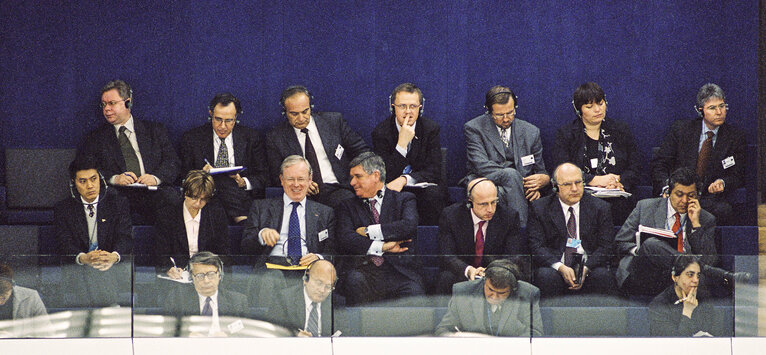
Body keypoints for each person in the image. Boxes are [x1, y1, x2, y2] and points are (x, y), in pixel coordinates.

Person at [616, 167, 743, 296]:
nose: (684, 201)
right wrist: (640, 250)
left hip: (679, 281)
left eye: (691, 195)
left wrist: (695, 226)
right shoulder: (644, 207)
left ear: (697, 196)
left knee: (698, 280)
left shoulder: (706, 219)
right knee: (650, 244)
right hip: (645, 275)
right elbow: (620, 243)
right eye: (679, 194)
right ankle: (720, 275)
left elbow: (709, 261)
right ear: (669, 192)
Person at [78, 79, 180, 224]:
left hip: (153, 191)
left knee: (172, 198)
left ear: (128, 103)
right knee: (111, 202)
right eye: (104, 104)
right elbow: (86, 168)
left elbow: (172, 162)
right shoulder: (96, 138)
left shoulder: (154, 131)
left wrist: (155, 178)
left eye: (112, 103)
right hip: (120, 193)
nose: (106, 109)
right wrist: (115, 178)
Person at [241, 156, 335, 304]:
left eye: (301, 179)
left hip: (308, 268)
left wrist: (318, 257)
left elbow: (333, 251)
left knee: (314, 280)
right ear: (281, 180)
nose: (296, 185)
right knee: (273, 279)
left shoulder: (325, 213)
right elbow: (245, 247)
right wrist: (261, 235)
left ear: (310, 180)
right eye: (290, 179)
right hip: (272, 267)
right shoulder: (260, 207)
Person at [335, 152, 424, 305]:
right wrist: (382, 247)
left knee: (414, 290)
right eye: (352, 177)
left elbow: (408, 226)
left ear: (375, 175)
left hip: (399, 272)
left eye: (358, 176)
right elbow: (346, 238)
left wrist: (368, 231)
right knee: (354, 281)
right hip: (365, 271)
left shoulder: (404, 199)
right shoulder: (347, 206)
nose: (352, 182)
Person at [651, 83, 745, 225]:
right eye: (712, 108)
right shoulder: (681, 130)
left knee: (724, 210)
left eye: (722, 106)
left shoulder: (735, 137)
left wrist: (723, 183)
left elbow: (738, 175)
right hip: (678, 193)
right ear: (701, 111)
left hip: (709, 198)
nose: (719, 112)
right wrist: (666, 188)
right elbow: (660, 164)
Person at [551, 82, 641, 225]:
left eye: (600, 103)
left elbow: (635, 167)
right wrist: (595, 180)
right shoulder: (566, 134)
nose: (597, 110)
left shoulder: (620, 130)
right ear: (578, 110)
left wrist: (619, 181)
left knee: (623, 207)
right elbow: (560, 169)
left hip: (617, 195)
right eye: (589, 106)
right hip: (581, 195)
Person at [266, 85, 370, 208]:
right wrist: (301, 183)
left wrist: (360, 176)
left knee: (347, 204)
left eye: (305, 111)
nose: (301, 118)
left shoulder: (333, 122)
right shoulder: (276, 137)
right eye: (294, 114)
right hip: (302, 193)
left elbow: (361, 151)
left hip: (338, 188)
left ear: (311, 107)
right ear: (285, 112)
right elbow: (277, 175)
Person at [464, 85, 549, 227]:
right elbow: (480, 166)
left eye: (510, 113)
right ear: (489, 111)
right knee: (510, 175)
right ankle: (521, 231)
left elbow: (541, 171)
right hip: (486, 183)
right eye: (499, 115)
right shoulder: (474, 128)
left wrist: (540, 183)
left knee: (510, 190)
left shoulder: (531, 132)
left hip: (519, 189)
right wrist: (516, 179)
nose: (505, 119)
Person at [527, 163, 616, 297]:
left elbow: (606, 247)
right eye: (567, 184)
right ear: (555, 187)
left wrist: (585, 269)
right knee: (545, 276)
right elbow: (536, 246)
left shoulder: (600, 208)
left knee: (603, 276)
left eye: (578, 183)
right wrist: (560, 267)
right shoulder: (539, 208)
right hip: (556, 266)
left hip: (589, 266)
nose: (574, 189)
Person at [54, 155, 132, 307]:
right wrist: (84, 258)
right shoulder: (63, 209)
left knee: (101, 269)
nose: (90, 185)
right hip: (79, 268)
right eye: (83, 181)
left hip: (111, 268)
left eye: (93, 179)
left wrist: (112, 257)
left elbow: (126, 238)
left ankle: (94, 314)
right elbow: (64, 243)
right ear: (73, 184)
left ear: (100, 179)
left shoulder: (117, 204)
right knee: (91, 271)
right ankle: (110, 309)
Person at [179, 93, 268, 224]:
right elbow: (183, 176)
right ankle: (242, 220)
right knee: (218, 181)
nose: (222, 126)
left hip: (239, 193)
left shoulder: (251, 138)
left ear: (236, 117)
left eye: (228, 121)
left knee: (226, 183)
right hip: (206, 194)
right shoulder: (193, 138)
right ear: (210, 114)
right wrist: (200, 174)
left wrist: (243, 181)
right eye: (218, 119)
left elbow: (263, 176)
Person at [371, 83, 446, 225]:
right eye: (402, 106)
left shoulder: (431, 129)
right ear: (393, 107)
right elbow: (384, 175)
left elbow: (434, 171)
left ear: (420, 108)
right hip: (393, 188)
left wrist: (405, 179)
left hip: (421, 186)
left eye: (413, 106)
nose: (408, 112)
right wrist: (401, 145)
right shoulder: (381, 132)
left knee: (434, 195)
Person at [437, 178, 526, 294]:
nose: (490, 209)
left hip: (497, 272)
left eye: (494, 202)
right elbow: (447, 255)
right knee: (446, 277)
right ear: (470, 202)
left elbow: (513, 256)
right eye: (483, 204)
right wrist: (469, 270)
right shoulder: (451, 216)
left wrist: (492, 271)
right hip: (464, 271)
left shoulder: (509, 216)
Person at [435, 260, 543, 337]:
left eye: (502, 293)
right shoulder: (464, 292)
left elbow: (535, 334)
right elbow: (442, 330)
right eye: (490, 290)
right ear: (484, 282)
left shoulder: (527, 294)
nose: (494, 297)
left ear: (512, 289)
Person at [154, 170, 229, 279]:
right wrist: (169, 268)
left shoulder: (216, 215)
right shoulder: (167, 214)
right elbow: (160, 252)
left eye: (203, 199)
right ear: (185, 193)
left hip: (207, 274)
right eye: (194, 197)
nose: (198, 204)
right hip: (178, 276)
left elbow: (223, 252)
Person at [163, 252, 248, 335]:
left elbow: (243, 330)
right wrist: (187, 334)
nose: (206, 280)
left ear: (219, 275)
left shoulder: (237, 301)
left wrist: (227, 335)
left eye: (211, 274)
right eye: (200, 276)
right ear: (192, 278)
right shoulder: (176, 300)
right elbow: (170, 330)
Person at [649, 255, 725, 337]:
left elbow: (716, 334)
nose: (696, 280)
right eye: (690, 275)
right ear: (675, 278)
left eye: (698, 276)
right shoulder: (659, 305)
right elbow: (675, 345)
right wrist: (687, 312)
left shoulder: (704, 298)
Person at [269, 259, 339, 337]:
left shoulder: (336, 303)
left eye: (328, 287)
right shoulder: (284, 299)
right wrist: (295, 335)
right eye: (319, 283)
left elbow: (343, 334)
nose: (322, 290)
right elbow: (274, 331)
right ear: (306, 279)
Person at [0, 263, 50, 335]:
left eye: (3, 298)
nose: (0, 302)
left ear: (12, 286)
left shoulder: (31, 297)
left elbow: (47, 333)